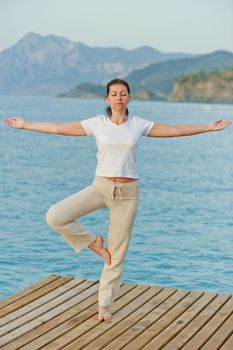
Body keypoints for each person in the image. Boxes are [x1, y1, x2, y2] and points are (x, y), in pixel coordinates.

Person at [3, 78, 231, 321]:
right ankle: (93, 243)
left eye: (123, 93)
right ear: (107, 99)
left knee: (117, 253)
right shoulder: (97, 123)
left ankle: (104, 305)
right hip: (100, 187)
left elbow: (174, 130)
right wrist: (26, 125)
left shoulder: (138, 124)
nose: (119, 97)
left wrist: (207, 127)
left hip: (128, 194)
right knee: (56, 216)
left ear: (129, 98)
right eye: (114, 93)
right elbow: (59, 127)